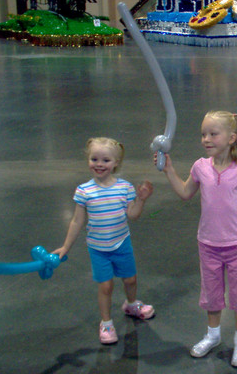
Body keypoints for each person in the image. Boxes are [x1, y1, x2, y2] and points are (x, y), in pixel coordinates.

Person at [157, 110, 237, 367]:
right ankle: (212, 335)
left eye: (213, 134)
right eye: (204, 134)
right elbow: (184, 192)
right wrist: (169, 170)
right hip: (208, 244)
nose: (206, 138)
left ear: (231, 138)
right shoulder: (200, 167)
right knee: (212, 295)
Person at [53, 137, 155, 345]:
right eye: (94, 159)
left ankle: (131, 304)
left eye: (106, 160)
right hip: (98, 249)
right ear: (88, 160)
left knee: (130, 280)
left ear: (116, 163)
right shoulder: (84, 191)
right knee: (105, 287)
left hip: (122, 244)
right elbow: (76, 221)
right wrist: (65, 246)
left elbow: (133, 215)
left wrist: (141, 200)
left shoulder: (125, 188)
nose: (99, 164)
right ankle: (106, 323)